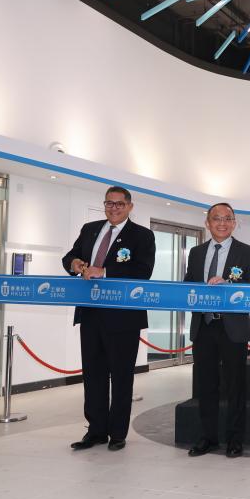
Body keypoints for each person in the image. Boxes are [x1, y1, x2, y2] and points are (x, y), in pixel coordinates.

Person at [62, 186, 156, 452]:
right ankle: (95, 431)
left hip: (123, 318)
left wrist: (103, 271)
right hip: (90, 313)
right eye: (109, 204)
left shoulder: (142, 235)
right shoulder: (90, 229)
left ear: (129, 206)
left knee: (122, 376)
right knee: (93, 375)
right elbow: (69, 257)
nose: (113, 208)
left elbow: (142, 271)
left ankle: (117, 433)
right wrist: (77, 265)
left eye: (119, 204)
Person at [185, 202, 250, 459]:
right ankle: (208, 438)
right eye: (216, 218)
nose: (222, 223)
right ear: (208, 222)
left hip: (233, 328)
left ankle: (235, 439)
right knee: (205, 386)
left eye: (227, 218)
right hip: (203, 326)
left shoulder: (247, 252)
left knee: (235, 387)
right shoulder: (196, 253)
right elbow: (188, 287)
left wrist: (228, 284)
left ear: (234, 222)